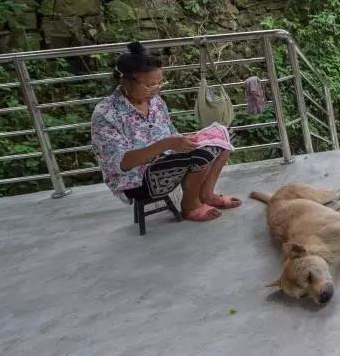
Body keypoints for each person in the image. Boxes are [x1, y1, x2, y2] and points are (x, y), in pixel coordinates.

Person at [91, 42, 241, 222]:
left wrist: (186, 140)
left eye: (159, 83)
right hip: (136, 179)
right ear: (125, 80)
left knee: (223, 136)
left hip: (168, 159)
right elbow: (120, 163)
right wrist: (167, 144)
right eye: (149, 85)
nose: (155, 90)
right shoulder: (106, 113)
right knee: (201, 156)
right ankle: (190, 205)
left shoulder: (156, 103)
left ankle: (207, 194)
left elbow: (171, 133)